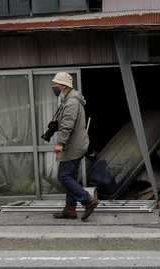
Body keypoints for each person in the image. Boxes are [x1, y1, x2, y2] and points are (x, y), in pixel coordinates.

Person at [49, 71, 98, 221]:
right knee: (70, 177)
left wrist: (60, 143)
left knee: (64, 176)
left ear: (63, 86)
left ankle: (87, 200)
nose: (54, 87)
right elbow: (68, 123)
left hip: (73, 146)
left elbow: (68, 126)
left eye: (55, 84)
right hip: (77, 145)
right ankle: (70, 210)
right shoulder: (69, 100)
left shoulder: (71, 102)